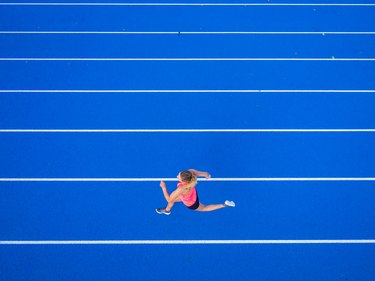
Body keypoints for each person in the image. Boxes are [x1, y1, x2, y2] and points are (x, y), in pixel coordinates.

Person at [156, 169, 235, 215]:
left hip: (191, 203)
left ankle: (224, 205)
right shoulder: (190, 173)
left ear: (183, 180)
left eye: (178, 176)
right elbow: (206, 173)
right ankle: (167, 211)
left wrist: (164, 187)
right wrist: (207, 176)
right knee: (173, 200)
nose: (177, 176)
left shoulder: (181, 189)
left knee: (204, 208)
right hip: (192, 194)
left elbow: (169, 199)